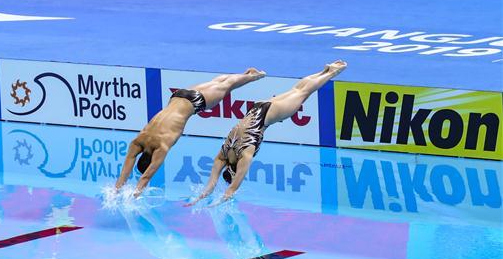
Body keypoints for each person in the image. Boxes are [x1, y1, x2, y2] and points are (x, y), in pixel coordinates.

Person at [186, 60, 347, 206]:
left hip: (271, 114)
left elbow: (232, 189)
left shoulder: (245, 154)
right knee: (297, 90)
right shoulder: (223, 154)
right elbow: (210, 185)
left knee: (303, 93)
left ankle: (332, 72)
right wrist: (198, 198)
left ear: (234, 169)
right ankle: (324, 71)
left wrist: (216, 203)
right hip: (259, 106)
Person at [114, 67, 267, 197]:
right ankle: (246, 73)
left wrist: (135, 194)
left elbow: (146, 176)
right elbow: (127, 166)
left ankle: (254, 76)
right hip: (178, 95)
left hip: (196, 102)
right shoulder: (138, 141)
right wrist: (116, 189)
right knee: (217, 83)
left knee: (227, 86)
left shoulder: (162, 146)